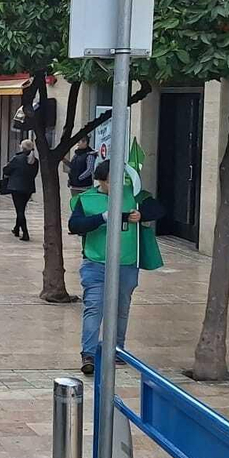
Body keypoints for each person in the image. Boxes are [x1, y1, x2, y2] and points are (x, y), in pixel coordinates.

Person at [68, 159, 163, 376]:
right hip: (96, 263)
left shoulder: (134, 194)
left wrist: (142, 215)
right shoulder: (86, 199)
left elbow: (158, 208)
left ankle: (117, 349)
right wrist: (102, 218)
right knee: (94, 307)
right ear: (101, 181)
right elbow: (75, 225)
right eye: (112, 181)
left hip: (127, 263)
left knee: (122, 308)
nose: (117, 185)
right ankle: (89, 354)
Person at [2, 139, 38, 241]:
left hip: (16, 188)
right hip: (28, 188)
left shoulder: (17, 159)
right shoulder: (35, 161)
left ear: (23, 148)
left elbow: (6, 170)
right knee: (21, 209)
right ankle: (16, 229)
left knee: (20, 211)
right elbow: (34, 174)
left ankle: (25, 233)